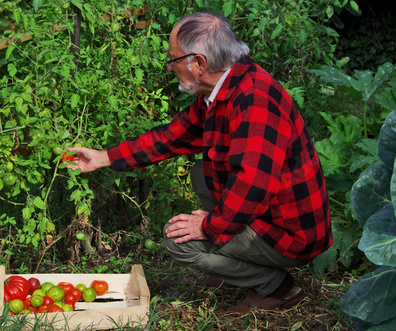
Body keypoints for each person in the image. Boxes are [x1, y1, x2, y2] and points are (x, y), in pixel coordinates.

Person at [67, 12, 332, 314]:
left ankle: (277, 287)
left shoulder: (255, 101)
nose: (170, 66)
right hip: (272, 213)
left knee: (178, 241)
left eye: (174, 59)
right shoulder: (225, 88)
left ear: (199, 65)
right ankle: (236, 266)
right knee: (201, 174)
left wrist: (208, 226)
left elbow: (253, 186)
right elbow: (172, 137)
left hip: (291, 234)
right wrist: (105, 157)